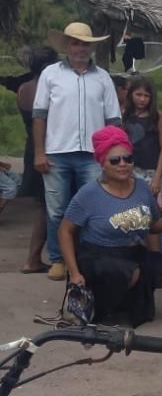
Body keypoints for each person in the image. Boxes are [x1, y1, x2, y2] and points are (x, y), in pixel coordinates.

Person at [34, 22, 122, 281]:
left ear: (91, 47)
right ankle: (58, 259)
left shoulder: (102, 77)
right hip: (56, 152)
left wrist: (113, 155)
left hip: (94, 155)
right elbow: (39, 116)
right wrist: (39, 152)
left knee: (92, 207)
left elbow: (114, 120)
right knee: (57, 209)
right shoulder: (51, 74)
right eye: (75, 43)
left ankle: (86, 257)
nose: (80, 48)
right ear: (67, 46)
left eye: (85, 43)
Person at [58, 126, 162, 326]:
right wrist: (74, 272)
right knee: (127, 271)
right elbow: (65, 230)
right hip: (98, 255)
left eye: (128, 159)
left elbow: (154, 225)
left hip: (133, 251)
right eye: (115, 160)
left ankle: (123, 305)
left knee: (160, 265)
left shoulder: (142, 188)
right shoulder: (89, 194)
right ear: (102, 164)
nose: (123, 164)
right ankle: (100, 307)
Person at [16, 46, 59, 274]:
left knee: (45, 208)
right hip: (48, 150)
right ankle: (38, 258)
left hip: (31, 149)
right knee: (51, 208)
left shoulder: (23, 89)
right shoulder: (47, 90)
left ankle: (34, 258)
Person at [123, 76, 162, 198]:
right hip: (131, 169)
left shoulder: (157, 116)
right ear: (131, 94)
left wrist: (158, 176)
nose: (142, 99)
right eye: (138, 94)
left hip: (151, 170)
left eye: (146, 96)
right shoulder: (124, 115)